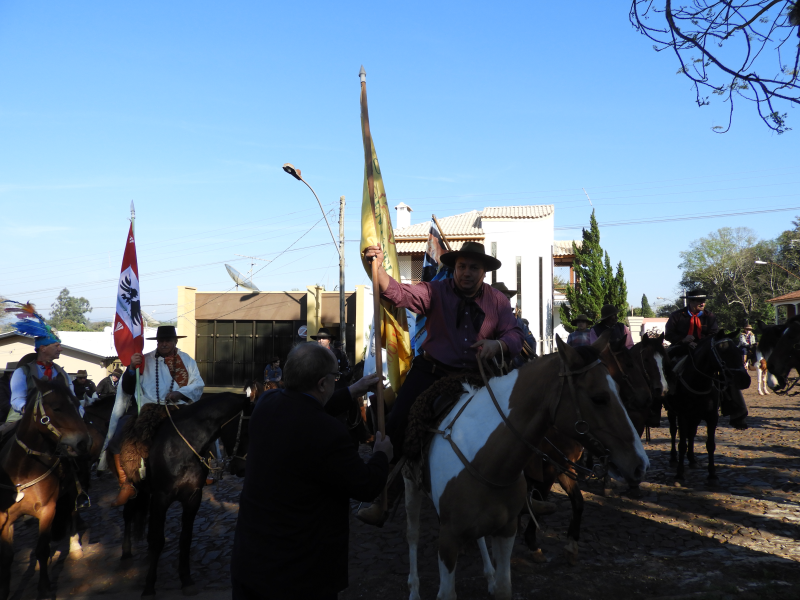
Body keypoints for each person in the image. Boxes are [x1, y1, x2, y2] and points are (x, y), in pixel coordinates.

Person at [359, 241, 555, 526]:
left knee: (520, 422)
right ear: (454, 269)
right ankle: (384, 495)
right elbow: (398, 292)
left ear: (484, 272)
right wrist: (374, 267)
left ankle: (525, 493)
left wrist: (498, 344)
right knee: (399, 421)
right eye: (461, 266)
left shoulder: (498, 301)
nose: (466, 272)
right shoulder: (435, 291)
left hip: (479, 375)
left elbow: (515, 335)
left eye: (473, 267)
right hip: (432, 371)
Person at [231, 343, 391, 600]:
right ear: (322, 384)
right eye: (334, 378)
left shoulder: (266, 404)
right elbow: (366, 485)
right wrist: (382, 455)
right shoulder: (329, 433)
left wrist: (351, 390)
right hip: (300, 577)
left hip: (250, 565)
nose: (335, 383)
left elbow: (305, 407)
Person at [103, 325, 205, 506]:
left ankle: (207, 468)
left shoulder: (187, 361)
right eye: (161, 341)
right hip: (148, 408)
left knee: (203, 431)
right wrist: (132, 368)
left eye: (168, 341)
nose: (164, 344)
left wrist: (180, 393)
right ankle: (126, 483)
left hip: (177, 406)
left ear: (175, 342)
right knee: (119, 435)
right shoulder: (144, 359)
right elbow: (127, 388)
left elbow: (198, 384)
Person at [664, 289, 748, 428]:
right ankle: (659, 402)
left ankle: (737, 411)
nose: (702, 303)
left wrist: (701, 342)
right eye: (698, 300)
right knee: (665, 366)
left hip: (705, 350)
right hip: (681, 348)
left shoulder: (710, 316)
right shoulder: (677, 315)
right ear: (690, 301)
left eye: (703, 300)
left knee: (725, 370)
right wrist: (683, 339)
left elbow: (714, 333)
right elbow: (668, 334)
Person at [6, 332, 74, 424]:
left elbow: (72, 398)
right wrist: (31, 410)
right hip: (23, 418)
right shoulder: (22, 371)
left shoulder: (62, 373)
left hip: (57, 420)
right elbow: (17, 399)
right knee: (5, 435)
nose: (60, 349)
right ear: (43, 348)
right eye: (56, 346)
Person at [491, 282, 537, 366]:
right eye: (501, 298)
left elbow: (531, 341)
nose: (506, 301)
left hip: (518, 369)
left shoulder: (517, 321)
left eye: (508, 298)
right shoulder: (483, 320)